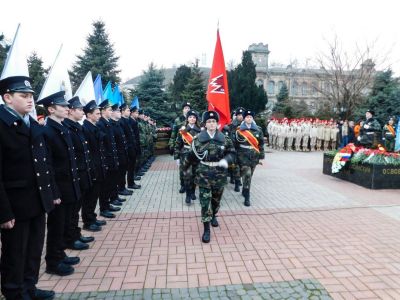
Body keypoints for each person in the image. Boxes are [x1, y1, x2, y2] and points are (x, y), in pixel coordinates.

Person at [0, 76, 56, 299]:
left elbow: (44, 163)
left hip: (37, 200)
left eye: (31, 95)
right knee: (15, 253)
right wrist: (3, 211)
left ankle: (29, 288)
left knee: (33, 250)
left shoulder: (31, 123)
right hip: (15, 206)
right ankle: (14, 292)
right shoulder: (3, 126)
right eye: (23, 96)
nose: (30, 100)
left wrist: (50, 194)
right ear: (7, 98)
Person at [37, 91, 82, 277]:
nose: (67, 108)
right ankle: (53, 262)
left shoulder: (62, 128)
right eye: (62, 106)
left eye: (66, 106)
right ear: (51, 109)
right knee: (56, 226)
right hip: (59, 188)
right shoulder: (47, 131)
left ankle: (60, 253)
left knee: (63, 224)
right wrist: (54, 191)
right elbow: (48, 165)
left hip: (68, 184)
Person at [183, 111, 235, 243]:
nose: (211, 124)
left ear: (217, 124)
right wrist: (185, 169)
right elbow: (191, 156)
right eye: (209, 122)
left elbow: (232, 154)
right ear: (205, 124)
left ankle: (214, 215)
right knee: (205, 202)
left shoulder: (225, 138)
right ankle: (206, 229)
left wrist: (227, 160)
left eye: (213, 122)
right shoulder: (198, 139)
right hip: (204, 174)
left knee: (216, 201)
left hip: (219, 174)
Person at [63, 96, 95, 247]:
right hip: (75, 174)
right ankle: (71, 238)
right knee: (71, 211)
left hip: (82, 173)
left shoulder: (77, 127)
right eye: (80, 109)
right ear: (71, 111)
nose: (82, 112)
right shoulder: (68, 129)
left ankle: (75, 234)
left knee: (76, 208)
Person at [82, 100, 107, 231]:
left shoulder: (94, 126)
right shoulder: (86, 128)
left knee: (94, 195)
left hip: (98, 165)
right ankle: (88, 221)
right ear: (89, 115)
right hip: (92, 167)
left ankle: (92, 217)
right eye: (97, 113)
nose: (99, 116)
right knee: (89, 197)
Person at [234, 110, 265, 206]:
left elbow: (261, 143)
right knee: (247, 174)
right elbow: (235, 144)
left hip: (254, 156)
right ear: (244, 118)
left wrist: (261, 155)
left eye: (250, 117)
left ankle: (245, 188)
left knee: (249, 176)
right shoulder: (239, 130)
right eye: (247, 117)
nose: (249, 118)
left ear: (252, 118)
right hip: (243, 156)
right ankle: (247, 197)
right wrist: (235, 156)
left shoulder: (258, 130)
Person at [174, 109, 201, 204]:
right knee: (187, 175)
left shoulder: (200, 130)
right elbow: (178, 144)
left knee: (194, 174)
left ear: (196, 119)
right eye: (190, 117)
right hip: (185, 154)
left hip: (196, 155)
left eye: (194, 117)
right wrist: (176, 157)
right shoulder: (182, 130)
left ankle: (193, 192)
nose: (192, 119)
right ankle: (188, 195)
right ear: (187, 118)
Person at [169, 102, 191, 193]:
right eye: (185, 108)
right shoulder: (178, 120)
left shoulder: (194, 119)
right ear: (183, 109)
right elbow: (174, 133)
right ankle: (183, 185)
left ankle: (191, 187)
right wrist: (171, 144)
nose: (187, 109)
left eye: (189, 108)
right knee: (182, 168)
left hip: (191, 147)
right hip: (181, 147)